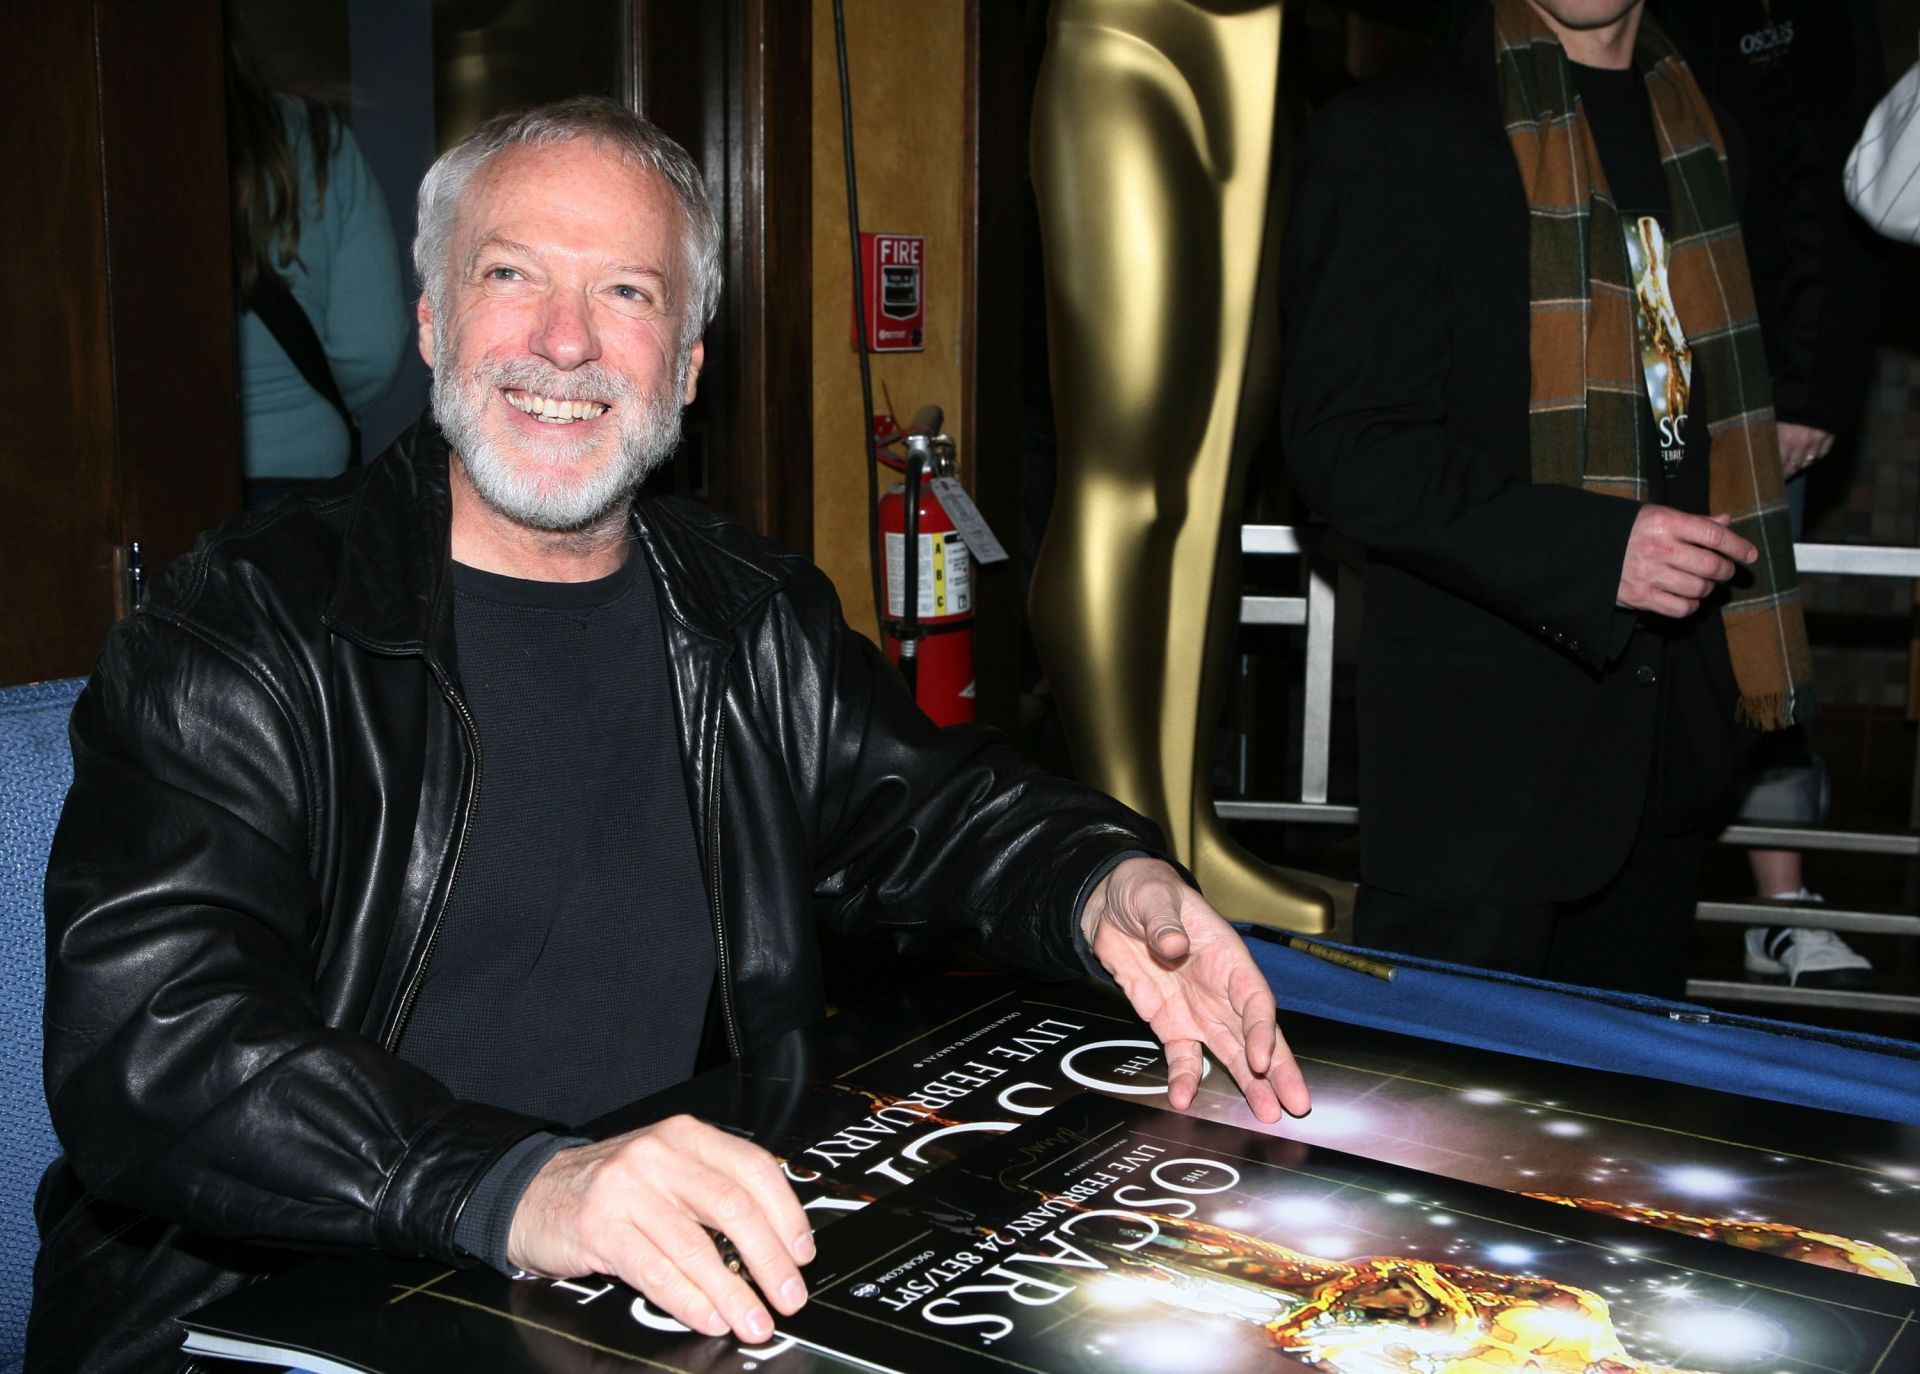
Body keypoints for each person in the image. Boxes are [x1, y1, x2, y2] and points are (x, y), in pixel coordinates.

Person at [30, 98, 1310, 1374]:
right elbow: (156, 1046)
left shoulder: (749, 617)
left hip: (633, 1304)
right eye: (511, 274)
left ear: (689, 366)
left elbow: (937, 810)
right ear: (430, 322)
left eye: (628, 294)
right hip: (268, 1317)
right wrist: (529, 1184)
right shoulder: (236, 630)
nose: (566, 341)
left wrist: (1108, 879)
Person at [1280, 0, 1812, 997]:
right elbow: (1347, 449)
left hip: (1671, 750)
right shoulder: (1394, 134)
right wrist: (1594, 549)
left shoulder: (1710, 136)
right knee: (1433, 1130)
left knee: (1622, 1139)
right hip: (1482, 768)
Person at [1653, 0, 1884, 987]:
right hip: (1624, 357)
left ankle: (1776, 907)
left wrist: (1809, 384)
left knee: (1756, 641)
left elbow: (1836, 177)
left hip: (1749, 380)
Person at [226, 18, 410, 507]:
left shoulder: (101, 140)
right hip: (305, 473)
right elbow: (372, 347)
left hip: (149, 474)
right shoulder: (314, 137)